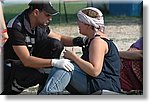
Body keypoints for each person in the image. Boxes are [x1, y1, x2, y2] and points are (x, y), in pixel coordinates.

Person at [39, 7, 121, 95]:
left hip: (104, 85)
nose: (78, 23)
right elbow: (60, 37)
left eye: (80, 21)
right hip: (97, 82)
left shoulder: (98, 42)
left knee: (65, 67)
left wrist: (73, 57)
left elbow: (94, 71)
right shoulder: (91, 40)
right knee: (62, 65)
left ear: (88, 24)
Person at [2, 0, 78, 95]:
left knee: (55, 44)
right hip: (11, 66)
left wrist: (80, 41)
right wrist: (54, 62)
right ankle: (11, 91)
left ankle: (44, 91)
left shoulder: (39, 23)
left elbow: (59, 38)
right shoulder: (16, 26)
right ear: (36, 12)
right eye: (47, 15)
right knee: (36, 74)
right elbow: (26, 60)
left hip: (28, 61)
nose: (50, 18)